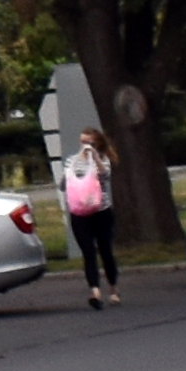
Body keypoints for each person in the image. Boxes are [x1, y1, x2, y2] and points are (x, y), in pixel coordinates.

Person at [60, 131, 122, 306]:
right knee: (88, 252)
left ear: (98, 144)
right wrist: (74, 165)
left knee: (105, 250)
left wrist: (94, 158)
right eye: (83, 142)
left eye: (90, 143)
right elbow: (64, 185)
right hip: (80, 214)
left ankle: (113, 287)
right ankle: (95, 291)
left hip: (101, 212)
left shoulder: (103, 160)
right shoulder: (72, 160)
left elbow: (105, 176)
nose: (86, 146)